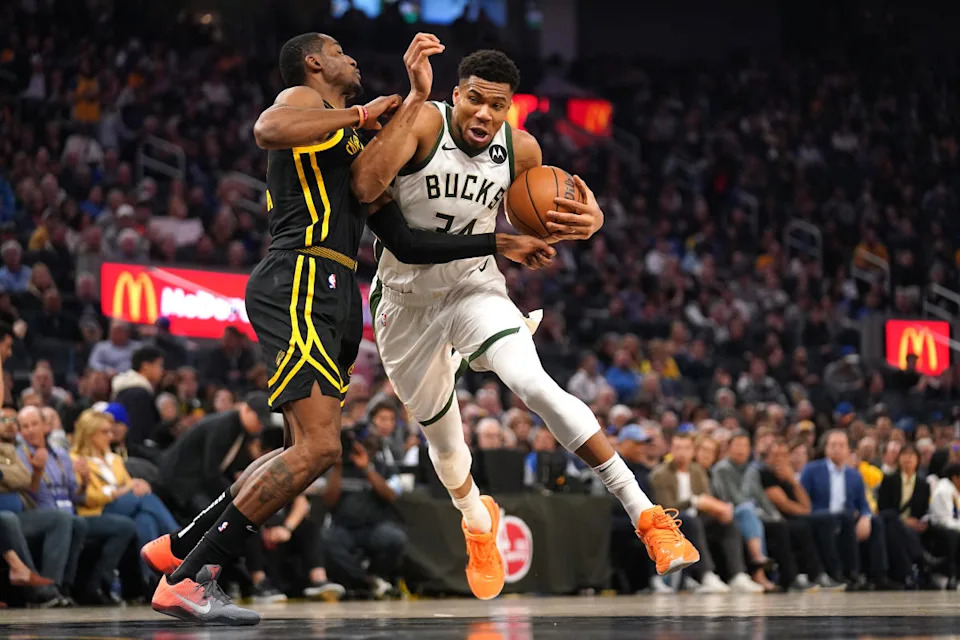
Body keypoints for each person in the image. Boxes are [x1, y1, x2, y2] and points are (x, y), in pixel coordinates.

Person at [144, 32, 551, 625]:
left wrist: (415, 100)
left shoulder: (349, 131)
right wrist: (363, 113)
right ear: (314, 62)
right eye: (339, 51)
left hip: (336, 285)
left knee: (300, 449)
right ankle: (193, 576)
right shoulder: (304, 101)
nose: (352, 59)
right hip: (301, 272)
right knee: (319, 448)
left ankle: (181, 547)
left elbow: (408, 240)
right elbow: (266, 130)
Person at [365, 48, 698, 600]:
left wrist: (590, 221)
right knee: (445, 443)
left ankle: (647, 516)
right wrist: (501, 240)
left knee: (534, 384)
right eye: (474, 98)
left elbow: (555, 214)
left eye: (497, 105)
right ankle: (477, 520)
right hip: (405, 302)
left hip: (475, 287)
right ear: (457, 94)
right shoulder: (423, 123)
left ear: (509, 108)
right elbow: (385, 217)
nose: (484, 113)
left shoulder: (522, 149)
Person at [649, 432, 760, 593]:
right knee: (691, 521)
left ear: (692, 451)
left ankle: (738, 574)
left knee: (727, 523)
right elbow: (666, 507)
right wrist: (694, 501)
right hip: (674, 521)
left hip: (698, 518)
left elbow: (706, 498)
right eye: (678, 448)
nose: (682, 452)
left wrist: (719, 510)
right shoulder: (660, 474)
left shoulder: (696, 471)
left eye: (686, 448)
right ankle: (706, 574)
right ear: (670, 449)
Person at [800, 429, 892, 589]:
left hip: (847, 517)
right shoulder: (812, 469)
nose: (837, 449)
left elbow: (863, 504)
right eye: (833, 445)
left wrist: (865, 517)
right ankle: (849, 573)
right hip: (820, 515)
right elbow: (803, 500)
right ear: (825, 448)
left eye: (841, 445)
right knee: (845, 517)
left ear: (848, 449)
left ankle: (878, 575)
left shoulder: (854, 475)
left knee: (875, 522)